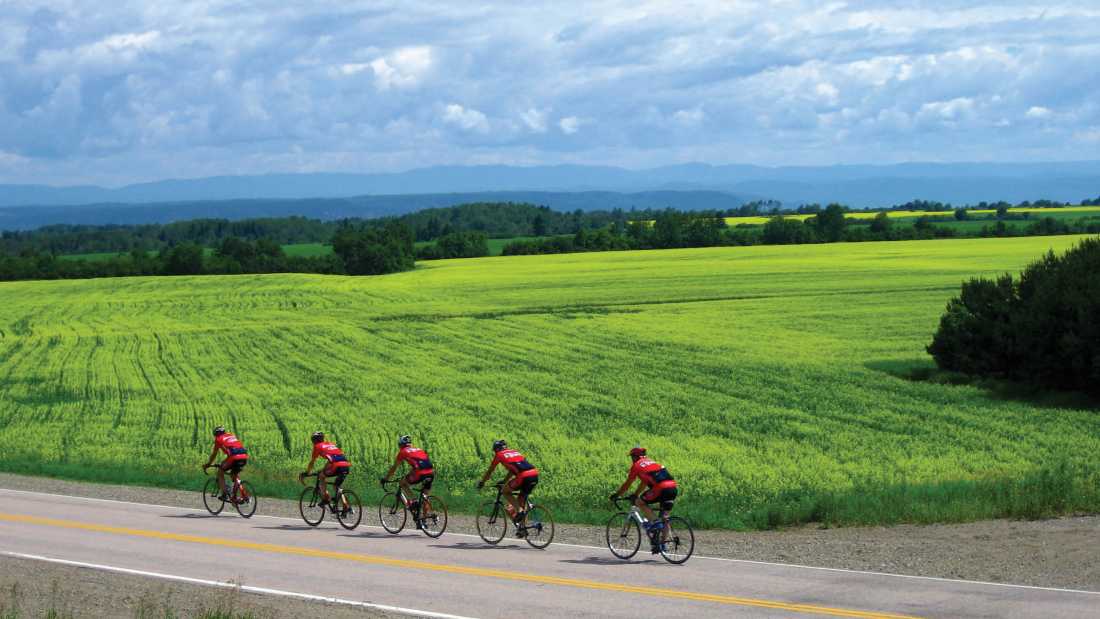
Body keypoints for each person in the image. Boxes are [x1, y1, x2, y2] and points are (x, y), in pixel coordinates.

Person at [610, 446, 677, 553]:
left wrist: (617, 494)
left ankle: (655, 523)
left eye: (632, 457)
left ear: (635, 457)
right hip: (672, 488)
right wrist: (636, 493)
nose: (631, 459)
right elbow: (644, 482)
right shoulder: (651, 462)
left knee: (639, 502)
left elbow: (628, 483)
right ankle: (661, 545)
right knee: (665, 517)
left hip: (660, 488)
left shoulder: (637, 465)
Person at [476, 439, 539, 534]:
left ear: (497, 449)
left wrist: (482, 482)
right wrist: (504, 480)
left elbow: (490, 470)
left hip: (523, 476)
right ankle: (522, 530)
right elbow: (512, 470)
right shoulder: (515, 452)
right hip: (534, 474)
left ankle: (519, 511)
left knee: (505, 491)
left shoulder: (499, 454)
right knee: (521, 501)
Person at [380, 435, 435, 527]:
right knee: (425, 496)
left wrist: (386, 479)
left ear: (400, 445)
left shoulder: (403, 452)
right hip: (431, 473)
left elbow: (394, 468)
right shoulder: (419, 449)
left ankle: (414, 500)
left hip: (420, 473)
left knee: (402, 483)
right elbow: (420, 464)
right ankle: (423, 522)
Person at [300, 431, 351, 508]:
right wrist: (324, 469)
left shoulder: (317, 446)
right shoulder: (330, 444)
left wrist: (307, 472)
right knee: (336, 486)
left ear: (314, 440)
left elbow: (312, 462)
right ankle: (346, 506)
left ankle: (326, 499)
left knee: (321, 476)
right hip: (346, 465)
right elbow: (332, 459)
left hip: (336, 465)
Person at [202, 426, 249, 502]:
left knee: (220, 472)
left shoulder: (218, 439)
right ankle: (243, 495)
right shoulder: (231, 435)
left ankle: (225, 495)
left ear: (216, 434)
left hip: (234, 458)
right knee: (234, 475)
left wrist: (208, 464)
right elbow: (231, 449)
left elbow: (214, 454)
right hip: (244, 457)